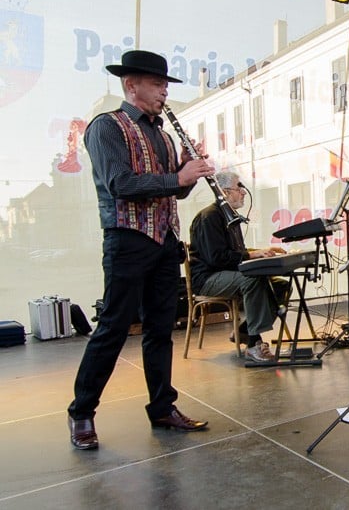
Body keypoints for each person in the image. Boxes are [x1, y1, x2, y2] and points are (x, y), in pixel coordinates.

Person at [68, 50, 214, 451]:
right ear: (131, 85)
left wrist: (188, 173)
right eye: (158, 84)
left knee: (161, 329)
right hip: (128, 239)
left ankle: (163, 407)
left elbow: (174, 190)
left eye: (165, 84)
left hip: (165, 241)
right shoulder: (106, 127)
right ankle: (82, 411)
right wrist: (175, 176)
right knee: (113, 327)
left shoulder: (164, 134)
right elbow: (121, 184)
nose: (165, 91)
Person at [188, 171, 288, 363]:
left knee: (281, 285)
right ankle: (253, 343)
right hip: (208, 278)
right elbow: (216, 258)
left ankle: (243, 332)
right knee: (251, 280)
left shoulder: (229, 217)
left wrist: (261, 251)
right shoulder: (209, 218)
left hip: (225, 273)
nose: (243, 192)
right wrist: (251, 255)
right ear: (225, 192)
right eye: (239, 188)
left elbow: (234, 252)